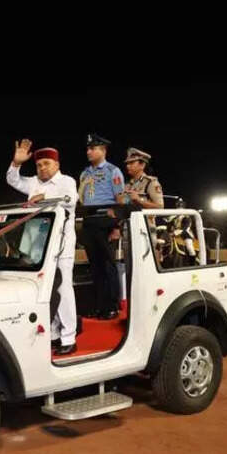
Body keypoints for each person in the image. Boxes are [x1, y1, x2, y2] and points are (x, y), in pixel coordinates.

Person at [6, 139, 79, 355]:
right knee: (44, 289)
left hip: (61, 245)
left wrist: (43, 197)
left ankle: (69, 337)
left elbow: (71, 200)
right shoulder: (33, 182)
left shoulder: (66, 181)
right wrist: (17, 163)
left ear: (56, 165)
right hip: (37, 246)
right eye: (38, 165)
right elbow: (12, 180)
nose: (42, 168)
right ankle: (54, 334)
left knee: (63, 289)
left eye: (46, 164)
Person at [78, 133, 124, 319]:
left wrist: (117, 227)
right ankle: (99, 305)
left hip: (106, 220)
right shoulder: (84, 173)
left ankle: (112, 306)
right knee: (95, 267)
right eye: (88, 148)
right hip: (89, 221)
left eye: (93, 148)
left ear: (103, 150)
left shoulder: (113, 171)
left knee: (108, 265)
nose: (88, 151)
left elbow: (120, 200)